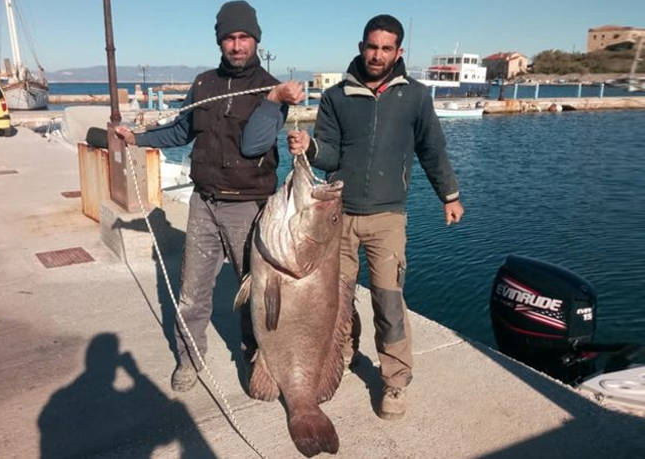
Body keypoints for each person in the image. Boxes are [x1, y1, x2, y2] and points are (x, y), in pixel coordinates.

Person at [116, 1, 305, 392]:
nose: (236, 46)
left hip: (249, 208)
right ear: (220, 42)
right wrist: (138, 139)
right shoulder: (203, 84)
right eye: (229, 38)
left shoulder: (272, 88)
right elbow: (180, 131)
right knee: (192, 292)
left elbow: (255, 146)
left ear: (256, 40)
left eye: (243, 38)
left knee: (255, 293)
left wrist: (272, 103)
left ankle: (259, 360)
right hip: (204, 202)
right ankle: (190, 359)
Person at [287, 14, 464, 420]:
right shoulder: (336, 96)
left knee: (388, 301)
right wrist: (310, 147)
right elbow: (329, 153)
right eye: (372, 46)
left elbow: (432, 150)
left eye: (386, 48)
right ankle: (341, 356)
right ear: (361, 45)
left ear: (399, 52)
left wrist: (449, 196)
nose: (377, 54)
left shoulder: (416, 96)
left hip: (388, 218)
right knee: (335, 299)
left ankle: (395, 381)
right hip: (338, 215)